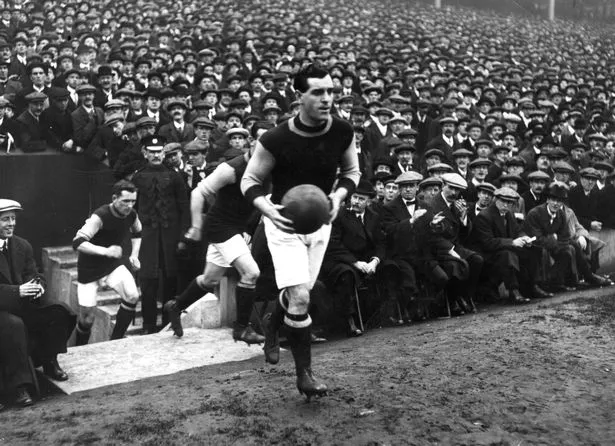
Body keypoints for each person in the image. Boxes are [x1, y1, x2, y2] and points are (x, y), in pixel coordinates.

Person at [241, 64, 360, 400]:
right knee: (302, 298)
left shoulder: (342, 130)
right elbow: (249, 181)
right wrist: (267, 210)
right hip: (284, 224)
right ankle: (304, 375)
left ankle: (271, 325)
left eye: (331, 91)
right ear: (299, 96)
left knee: (299, 293)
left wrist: (338, 196)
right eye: (318, 92)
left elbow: (352, 171)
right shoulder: (276, 138)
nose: (327, 99)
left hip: (320, 221)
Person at [164, 142, 265, 345]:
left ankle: (176, 305)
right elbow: (197, 193)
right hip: (221, 226)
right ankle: (242, 328)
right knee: (251, 273)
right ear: (252, 144)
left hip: (235, 227)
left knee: (210, 279)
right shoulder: (230, 169)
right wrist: (196, 227)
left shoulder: (268, 166)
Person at [0, 199, 76, 408]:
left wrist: (38, 286)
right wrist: (17, 291)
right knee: (14, 325)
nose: (11, 223)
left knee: (61, 311)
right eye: (5, 219)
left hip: (24, 304)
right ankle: (19, 387)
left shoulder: (22, 245)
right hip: (2, 309)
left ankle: (49, 361)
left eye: (13, 219)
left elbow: (36, 274)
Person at [131, 135, 189, 333]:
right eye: (152, 152)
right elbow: (133, 210)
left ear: (164, 153)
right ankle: (148, 325)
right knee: (148, 280)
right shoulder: (138, 177)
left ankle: (168, 321)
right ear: (145, 153)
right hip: (147, 237)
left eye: (159, 152)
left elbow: (184, 208)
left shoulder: (174, 177)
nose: (156, 155)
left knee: (171, 279)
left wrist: (182, 237)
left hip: (170, 237)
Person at [72, 181, 142, 345]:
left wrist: (135, 255)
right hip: (89, 269)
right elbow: (77, 242)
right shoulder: (100, 216)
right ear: (114, 198)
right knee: (86, 320)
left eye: (133, 201)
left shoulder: (132, 214)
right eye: (125, 201)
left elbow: (138, 232)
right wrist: (105, 251)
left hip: (111, 266)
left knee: (132, 295)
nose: (129, 205)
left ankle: (114, 342)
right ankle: (79, 351)